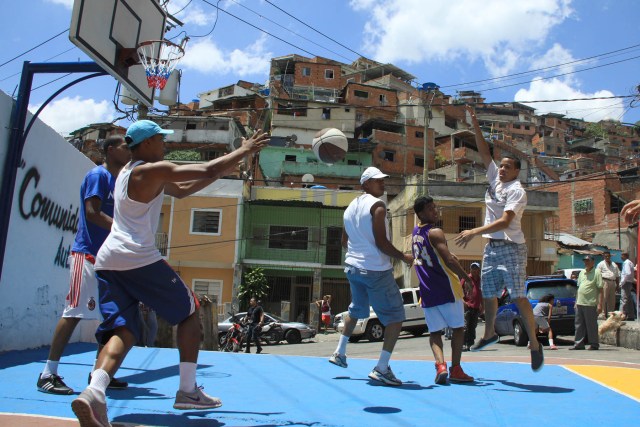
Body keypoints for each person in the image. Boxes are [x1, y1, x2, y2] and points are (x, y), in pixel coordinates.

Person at [71, 120, 268, 426]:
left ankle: (93, 391)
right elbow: (205, 170)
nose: (165, 145)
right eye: (161, 140)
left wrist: (223, 168)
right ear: (147, 143)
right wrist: (242, 150)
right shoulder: (148, 170)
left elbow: (183, 190)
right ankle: (188, 390)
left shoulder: (126, 174)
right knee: (190, 312)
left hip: (109, 260)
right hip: (136, 256)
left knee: (124, 331)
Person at [37, 136, 131, 395]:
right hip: (87, 255)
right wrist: (123, 229)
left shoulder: (119, 180)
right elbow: (92, 212)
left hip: (109, 259)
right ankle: (48, 373)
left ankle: (100, 373)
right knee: (73, 313)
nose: (129, 150)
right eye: (125, 146)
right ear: (111, 150)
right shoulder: (98, 175)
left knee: (112, 319)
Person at [454, 106, 544, 372]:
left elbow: (505, 222)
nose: (501, 169)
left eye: (507, 167)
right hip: (492, 248)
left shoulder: (517, 191)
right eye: (501, 165)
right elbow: (484, 150)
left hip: (512, 249)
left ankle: (535, 344)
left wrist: (473, 231)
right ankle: (490, 332)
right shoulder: (494, 179)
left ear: (516, 172)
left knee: (517, 297)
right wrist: (474, 123)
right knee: (489, 294)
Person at [329, 166, 414, 387]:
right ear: (365, 184)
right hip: (374, 270)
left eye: (383, 180)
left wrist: (358, 256)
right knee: (395, 318)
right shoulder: (378, 206)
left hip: (353, 268)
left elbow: (344, 242)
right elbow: (381, 243)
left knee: (356, 310)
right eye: (377, 181)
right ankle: (382, 368)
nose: (382, 183)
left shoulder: (349, 208)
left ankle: (339, 352)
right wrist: (403, 257)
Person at [412, 196, 474, 384]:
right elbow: (448, 260)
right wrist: (466, 277)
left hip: (427, 291)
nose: (435, 211)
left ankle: (440, 366)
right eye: (431, 209)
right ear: (421, 213)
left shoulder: (416, 232)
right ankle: (456, 368)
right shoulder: (435, 232)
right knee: (458, 329)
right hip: (446, 288)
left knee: (434, 333)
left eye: (435, 208)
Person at [571, 255, 603, 350]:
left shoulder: (597, 272)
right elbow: (579, 288)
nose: (586, 263)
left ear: (593, 262)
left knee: (591, 325)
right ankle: (578, 344)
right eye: (585, 261)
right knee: (578, 324)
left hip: (590, 303)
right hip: (580, 302)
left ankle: (594, 344)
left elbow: (600, 289)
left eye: (588, 261)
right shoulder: (582, 272)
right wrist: (576, 302)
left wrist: (600, 304)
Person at [463, 262, 483, 352]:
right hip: (467, 306)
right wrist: (463, 303)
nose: (474, 270)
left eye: (476, 268)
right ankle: (463, 344)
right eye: (473, 268)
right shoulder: (466, 279)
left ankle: (470, 344)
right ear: (470, 269)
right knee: (465, 326)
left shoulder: (480, 280)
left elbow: (482, 294)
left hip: (476, 307)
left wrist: (483, 305)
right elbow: (459, 291)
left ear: (479, 270)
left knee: (473, 326)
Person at [596, 251, 620, 318]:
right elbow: (598, 275)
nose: (607, 257)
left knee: (612, 299)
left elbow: (617, 275)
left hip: (613, 282)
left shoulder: (614, 264)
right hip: (605, 281)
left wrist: (617, 285)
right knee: (603, 298)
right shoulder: (600, 264)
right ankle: (602, 314)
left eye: (608, 256)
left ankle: (610, 314)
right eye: (605, 256)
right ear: (603, 256)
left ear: (610, 256)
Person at [619, 252, 635, 320]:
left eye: (622, 255)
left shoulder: (626, 263)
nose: (621, 257)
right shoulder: (630, 262)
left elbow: (627, 273)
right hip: (629, 283)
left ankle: (621, 315)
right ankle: (631, 315)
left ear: (625, 256)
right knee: (629, 300)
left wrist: (622, 282)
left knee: (623, 299)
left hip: (626, 283)